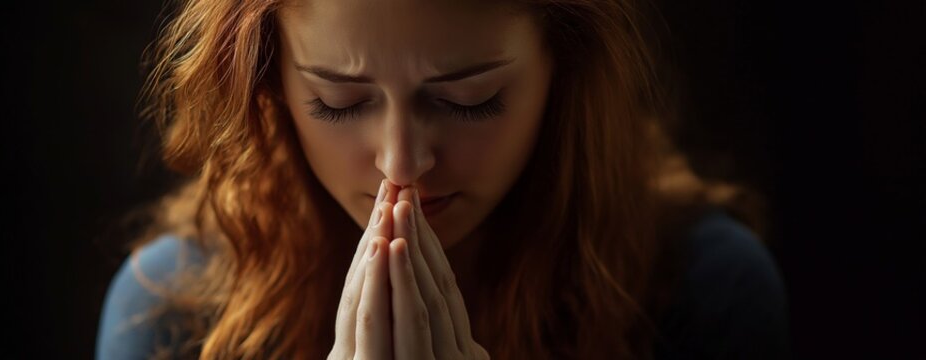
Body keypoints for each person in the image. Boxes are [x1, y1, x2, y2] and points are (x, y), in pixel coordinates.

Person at [96, 0, 790, 358]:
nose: (400, 164)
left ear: (564, 69)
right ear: (269, 83)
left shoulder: (698, 292)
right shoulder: (172, 317)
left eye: (468, 100)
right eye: (338, 102)